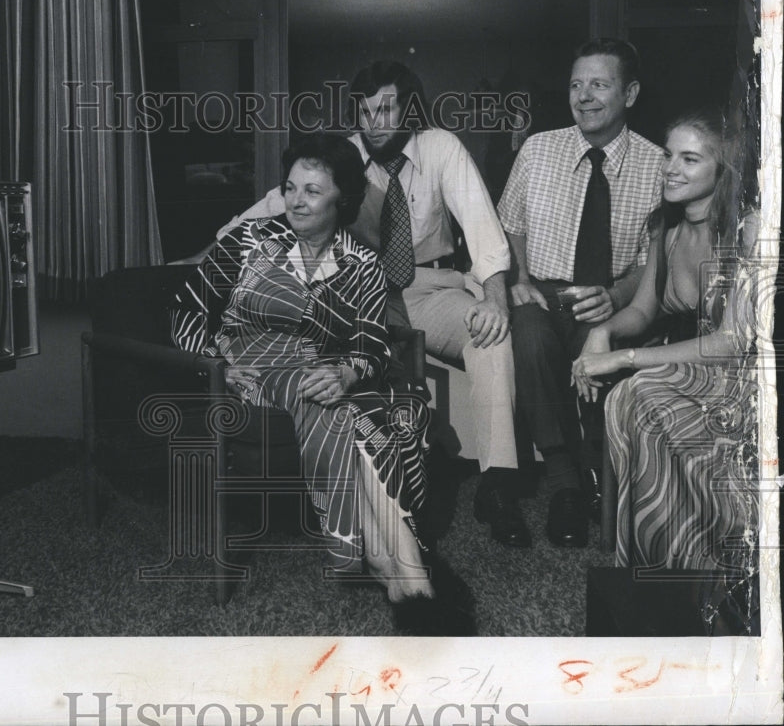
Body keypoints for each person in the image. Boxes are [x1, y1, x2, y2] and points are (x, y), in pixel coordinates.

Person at [210, 61, 531, 549]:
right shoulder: (345, 155)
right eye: (364, 111)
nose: (373, 122)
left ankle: (499, 486)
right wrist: (215, 247)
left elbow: (481, 224)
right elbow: (281, 201)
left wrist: (494, 298)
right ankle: (373, 492)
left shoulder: (441, 147)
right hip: (361, 290)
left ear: (411, 110)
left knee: (491, 336)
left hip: (428, 287)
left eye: (385, 109)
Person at [171, 133, 473, 635]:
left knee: (393, 407)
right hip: (252, 367)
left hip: (323, 369)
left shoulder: (362, 263)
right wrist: (216, 365)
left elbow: (372, 342)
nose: (296, 200)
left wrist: (348, 372)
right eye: (290, 188)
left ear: (343, 199)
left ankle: (395, 566)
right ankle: (404, 570)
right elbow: (187, 311)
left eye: (312, 191)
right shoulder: (247, 241)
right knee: (327, 398)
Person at [571, 108, 758, 571]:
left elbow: (733, 342)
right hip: (691, 371)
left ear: (723, 171)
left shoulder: (748, 230)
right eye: (668, 155)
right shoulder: (666, 229)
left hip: (746, 382)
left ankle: (698, 561)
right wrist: (602, 332)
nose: (671, 168)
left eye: (689, 159)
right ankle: (655, 560)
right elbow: (641, 311)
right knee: (633, 395)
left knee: (641, 391)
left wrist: (624, 359)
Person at [498, 38, 666, 547]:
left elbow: (651, 260)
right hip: (544, 293)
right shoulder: (538, 150)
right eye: (576, 85)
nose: (584, 96)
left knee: (605, 359)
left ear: (629, 94)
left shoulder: (657, 166)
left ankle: (599, 473)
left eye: (599, 84)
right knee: (529, 336)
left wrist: (617, 295)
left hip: (609, 298)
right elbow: (510, 224)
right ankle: (565, 483)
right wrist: (519, 280)